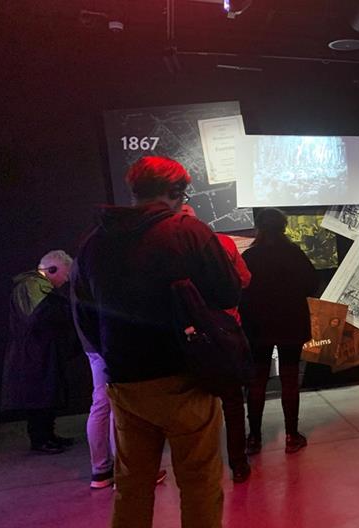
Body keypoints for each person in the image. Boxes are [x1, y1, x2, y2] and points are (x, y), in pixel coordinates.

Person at [71, 156, 241, 528]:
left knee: (131, 487)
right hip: (186, 379)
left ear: (134, 191)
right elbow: (229, 292)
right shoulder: (187, 231)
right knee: (199, 484)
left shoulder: (92, 243)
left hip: (126, 384)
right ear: (176, 192)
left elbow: (83, 315)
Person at [182, 204, 253, 483]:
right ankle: (238, 463)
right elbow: (245, 279)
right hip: (225, 331)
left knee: (193, 404)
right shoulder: (222, 243)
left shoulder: (167, 251)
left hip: (189, 335)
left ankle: (201, 467)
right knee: (233, 401)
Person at [239, 208, 318, 456]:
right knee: (290, 379)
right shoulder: (294, 254)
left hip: (257, 326)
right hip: (291, 324)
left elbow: (239, 288)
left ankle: (254, 437)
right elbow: (312, 286)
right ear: (283, 227)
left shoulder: (250, 256)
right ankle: (292, 436)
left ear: (259, 228)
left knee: (257, 381)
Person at [1, 250, 79, 454]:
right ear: (52, 269)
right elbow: (37, 317)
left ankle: (47, 436)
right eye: (64, 274)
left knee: (47, 396)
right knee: (39, 398)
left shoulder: (32, 286)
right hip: (33, 355)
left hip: (40, 353)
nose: (66, 280)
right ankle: (40, 439)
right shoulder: (30, 286)